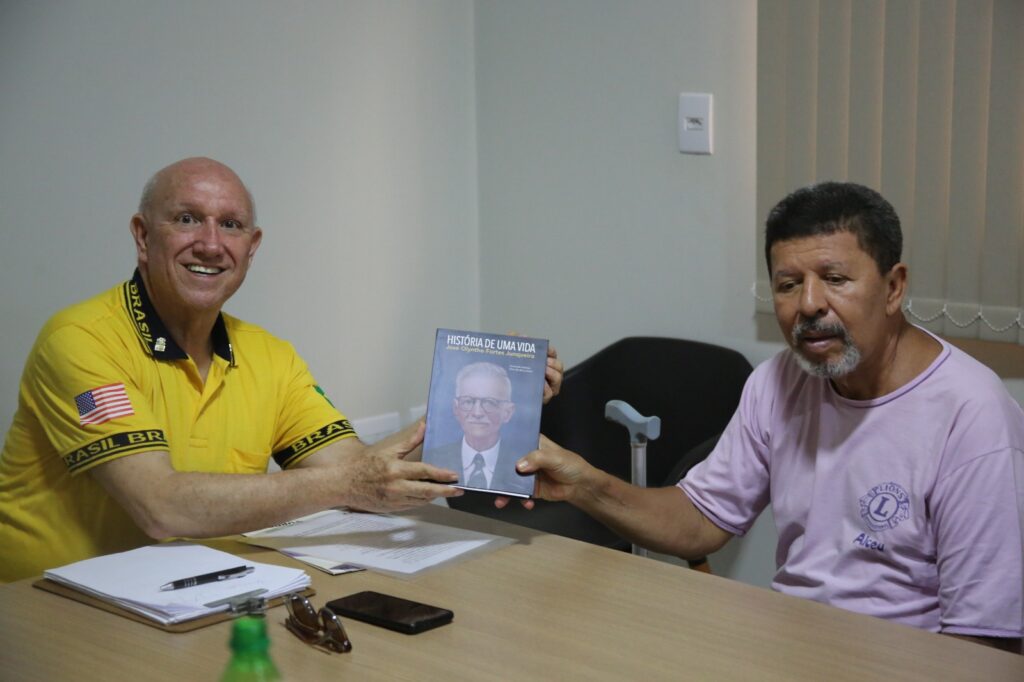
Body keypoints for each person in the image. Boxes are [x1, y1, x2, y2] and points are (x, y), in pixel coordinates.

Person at [507, 182, 1024, 652]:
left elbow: (985, 641)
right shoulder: (780, 381)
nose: (809, 304)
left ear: (893, 287)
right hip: (788, 649)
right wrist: (583, 483)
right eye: (788, 284)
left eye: (835, 279)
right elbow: (699, 520)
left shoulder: (973, 417)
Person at [0, 156, 563, 583]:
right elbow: (160, 507)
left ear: (252, 246)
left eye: (231, 225)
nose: (211, 244)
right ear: (143, 236)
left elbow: (356, 471)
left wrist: (475, 409)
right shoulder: (81, 340)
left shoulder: (269, 354)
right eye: (187, 219)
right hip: (55, 606)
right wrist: (350, 484)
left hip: (200, 592)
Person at [423, 362, 534, 497]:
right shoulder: (433, 460)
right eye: (468, 401)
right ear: (456, 408)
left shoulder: (525, 468)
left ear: (507, 412)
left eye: (489, 402)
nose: (477, 413)